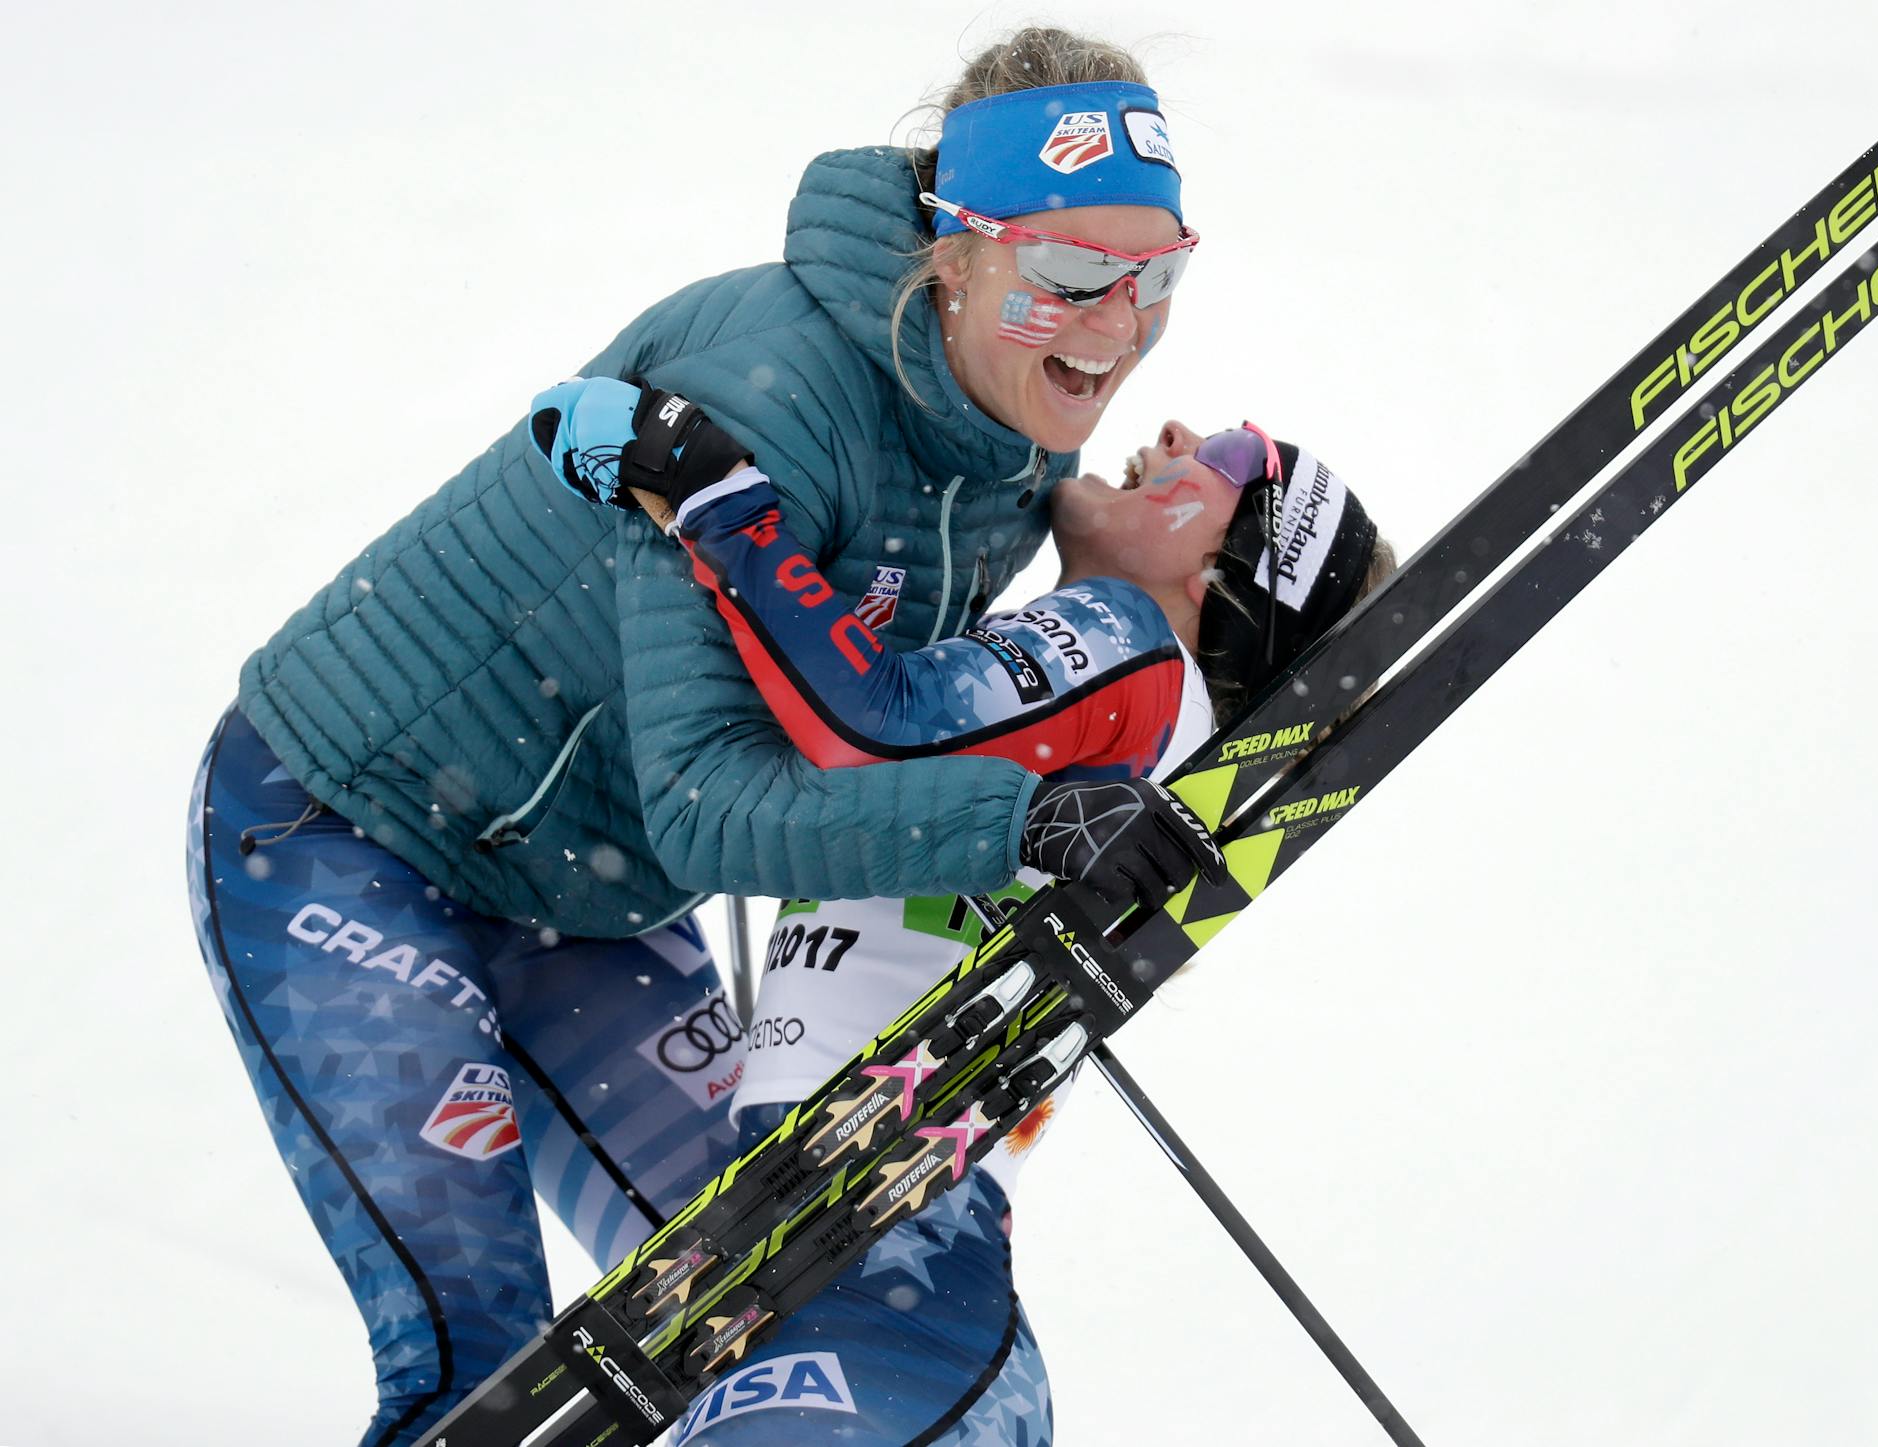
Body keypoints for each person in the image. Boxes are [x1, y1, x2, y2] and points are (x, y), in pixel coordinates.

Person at [186, 28, 1221, 1447]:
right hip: (346, 835)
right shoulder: (770, 394)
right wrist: (1024, 821)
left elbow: (881, 718)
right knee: (486, 1379)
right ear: (956, 253)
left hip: (589, 899)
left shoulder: (1008, 433)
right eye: (1065, 276)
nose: (1115, 326)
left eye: (1155, 275)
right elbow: (715, 803)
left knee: (785, 1293)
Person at [527, 379, 1395, 1444]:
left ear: (1227, 576)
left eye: (1226, 456)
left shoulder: (1126, 639)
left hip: (874, 1293)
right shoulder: (1129, 719)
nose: (1175, 432)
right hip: (910, 1310)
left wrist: (717, 496)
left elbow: (873, 724)